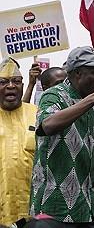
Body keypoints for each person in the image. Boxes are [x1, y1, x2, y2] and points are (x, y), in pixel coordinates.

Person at [29, 46, 94, 227]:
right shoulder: (54, 95)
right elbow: (47, 125)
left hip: (88, 208)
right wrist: (92, 99)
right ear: (77, 74)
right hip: (54, 209)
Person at [0, 57, 38, 226]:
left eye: (17, 81)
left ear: (23, 85)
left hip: (33, 212)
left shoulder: (38, 114)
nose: (10, 86)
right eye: (3, 82)